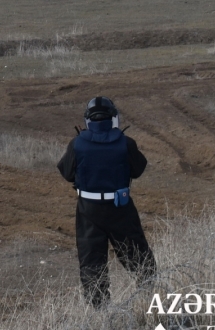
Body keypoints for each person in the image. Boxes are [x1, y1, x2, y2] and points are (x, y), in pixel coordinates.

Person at [57, 96, 156, 307]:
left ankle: (100, 313)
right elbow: (138, 170)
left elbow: (66, 172)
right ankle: (151, 302)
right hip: (120, 207)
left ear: (88, 120)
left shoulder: (77, 144)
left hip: (88, 210)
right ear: (113, 119)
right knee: (138, 258)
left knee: (92, 263)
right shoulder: (126, 143)